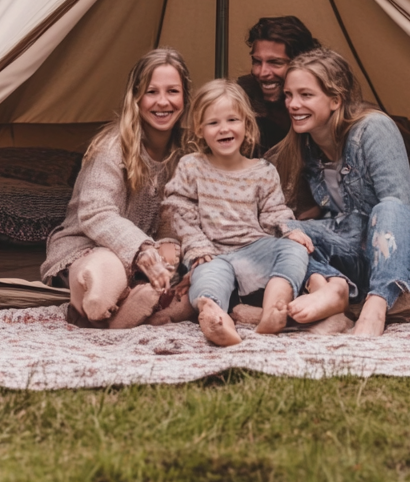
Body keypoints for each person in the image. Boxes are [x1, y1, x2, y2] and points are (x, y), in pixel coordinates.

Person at [272, 48, 410, 337]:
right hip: (361, 262)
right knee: (284, 228)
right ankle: (329, 292)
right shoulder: (305, 149)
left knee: (389, 208)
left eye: (305, 95)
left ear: (335, 100)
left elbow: (401, 211)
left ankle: (376, 307)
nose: (293, 104)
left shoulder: (374, 128)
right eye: (288, 95)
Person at [40, 48, 191, 328]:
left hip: (148, 259)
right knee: (106, 268)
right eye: (151, 92)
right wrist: (142, 249)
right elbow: (96, 211)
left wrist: (170, 244)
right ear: (136, 97)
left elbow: (178, 212)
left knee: (187, 282)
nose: (162, 102)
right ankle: (94, 302)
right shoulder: (113, 147)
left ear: (185, 98)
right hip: (91, 247)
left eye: (172, 91)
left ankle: (128, 310)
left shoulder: (186, 153)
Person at [163, 79, 314, 346]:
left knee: (295, 250)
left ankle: (274, 308)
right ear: (199, 129)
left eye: (232, 120)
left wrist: (290, 230)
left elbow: (274, 211)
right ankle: (215, 315)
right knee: (206, 276)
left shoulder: (263, 170)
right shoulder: (192, 166)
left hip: (254, 247)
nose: (224, 129)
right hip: (212, 252)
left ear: (246, 123)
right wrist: (196, 247)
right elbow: (178, 210)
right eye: (213, 123)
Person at [237, 16, 319, 155]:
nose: (262, 73)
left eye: (275, 63)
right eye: (257, 61)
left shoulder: (324, 106)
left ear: (301, 63)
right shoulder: (239, 102)